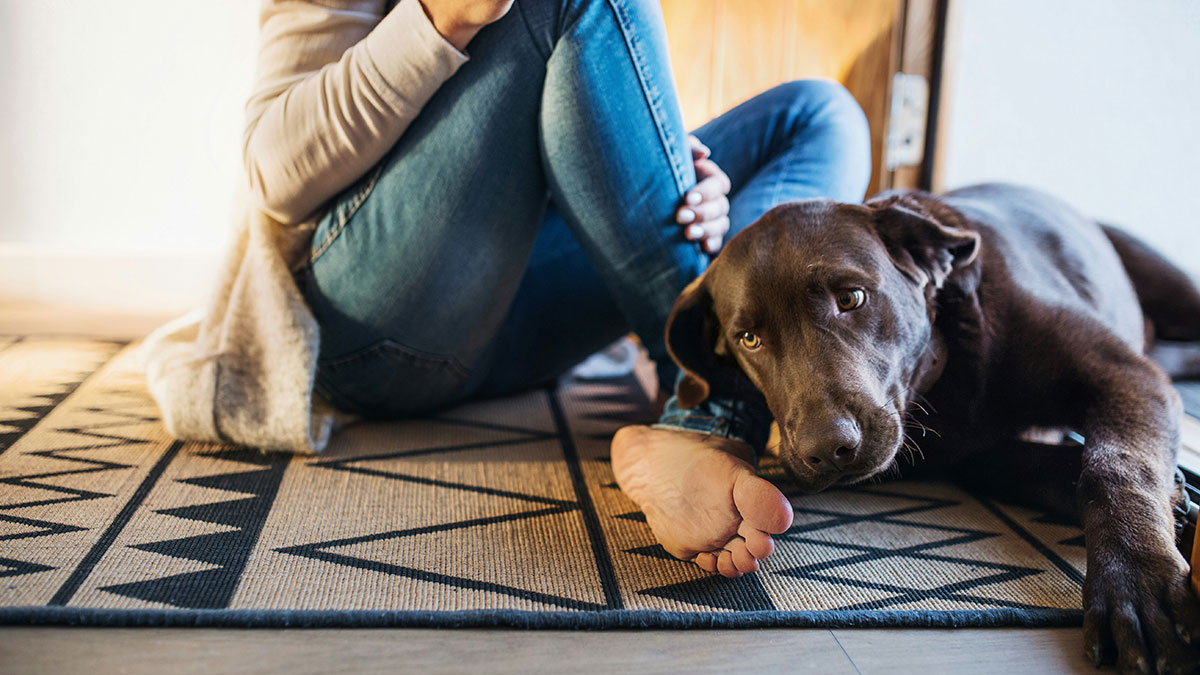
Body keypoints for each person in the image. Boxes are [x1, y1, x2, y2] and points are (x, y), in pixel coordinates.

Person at [143, 0, 871, 579]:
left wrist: (671, 168)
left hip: (528, 314)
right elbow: (273, 173)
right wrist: (439, 20)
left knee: (818, 113)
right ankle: (709, 407)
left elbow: (574, 100)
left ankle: (703, 412)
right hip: (368, 325)